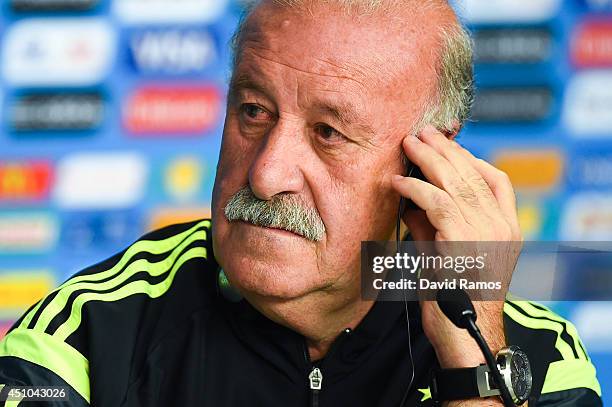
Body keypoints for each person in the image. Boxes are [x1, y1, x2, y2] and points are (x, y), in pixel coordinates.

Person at [0, 1, 602, 406]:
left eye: (328, 133)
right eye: (253, 112)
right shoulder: (88, 333)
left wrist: (472, 366)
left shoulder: (538, 357)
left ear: (426, 166)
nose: (266, 175)